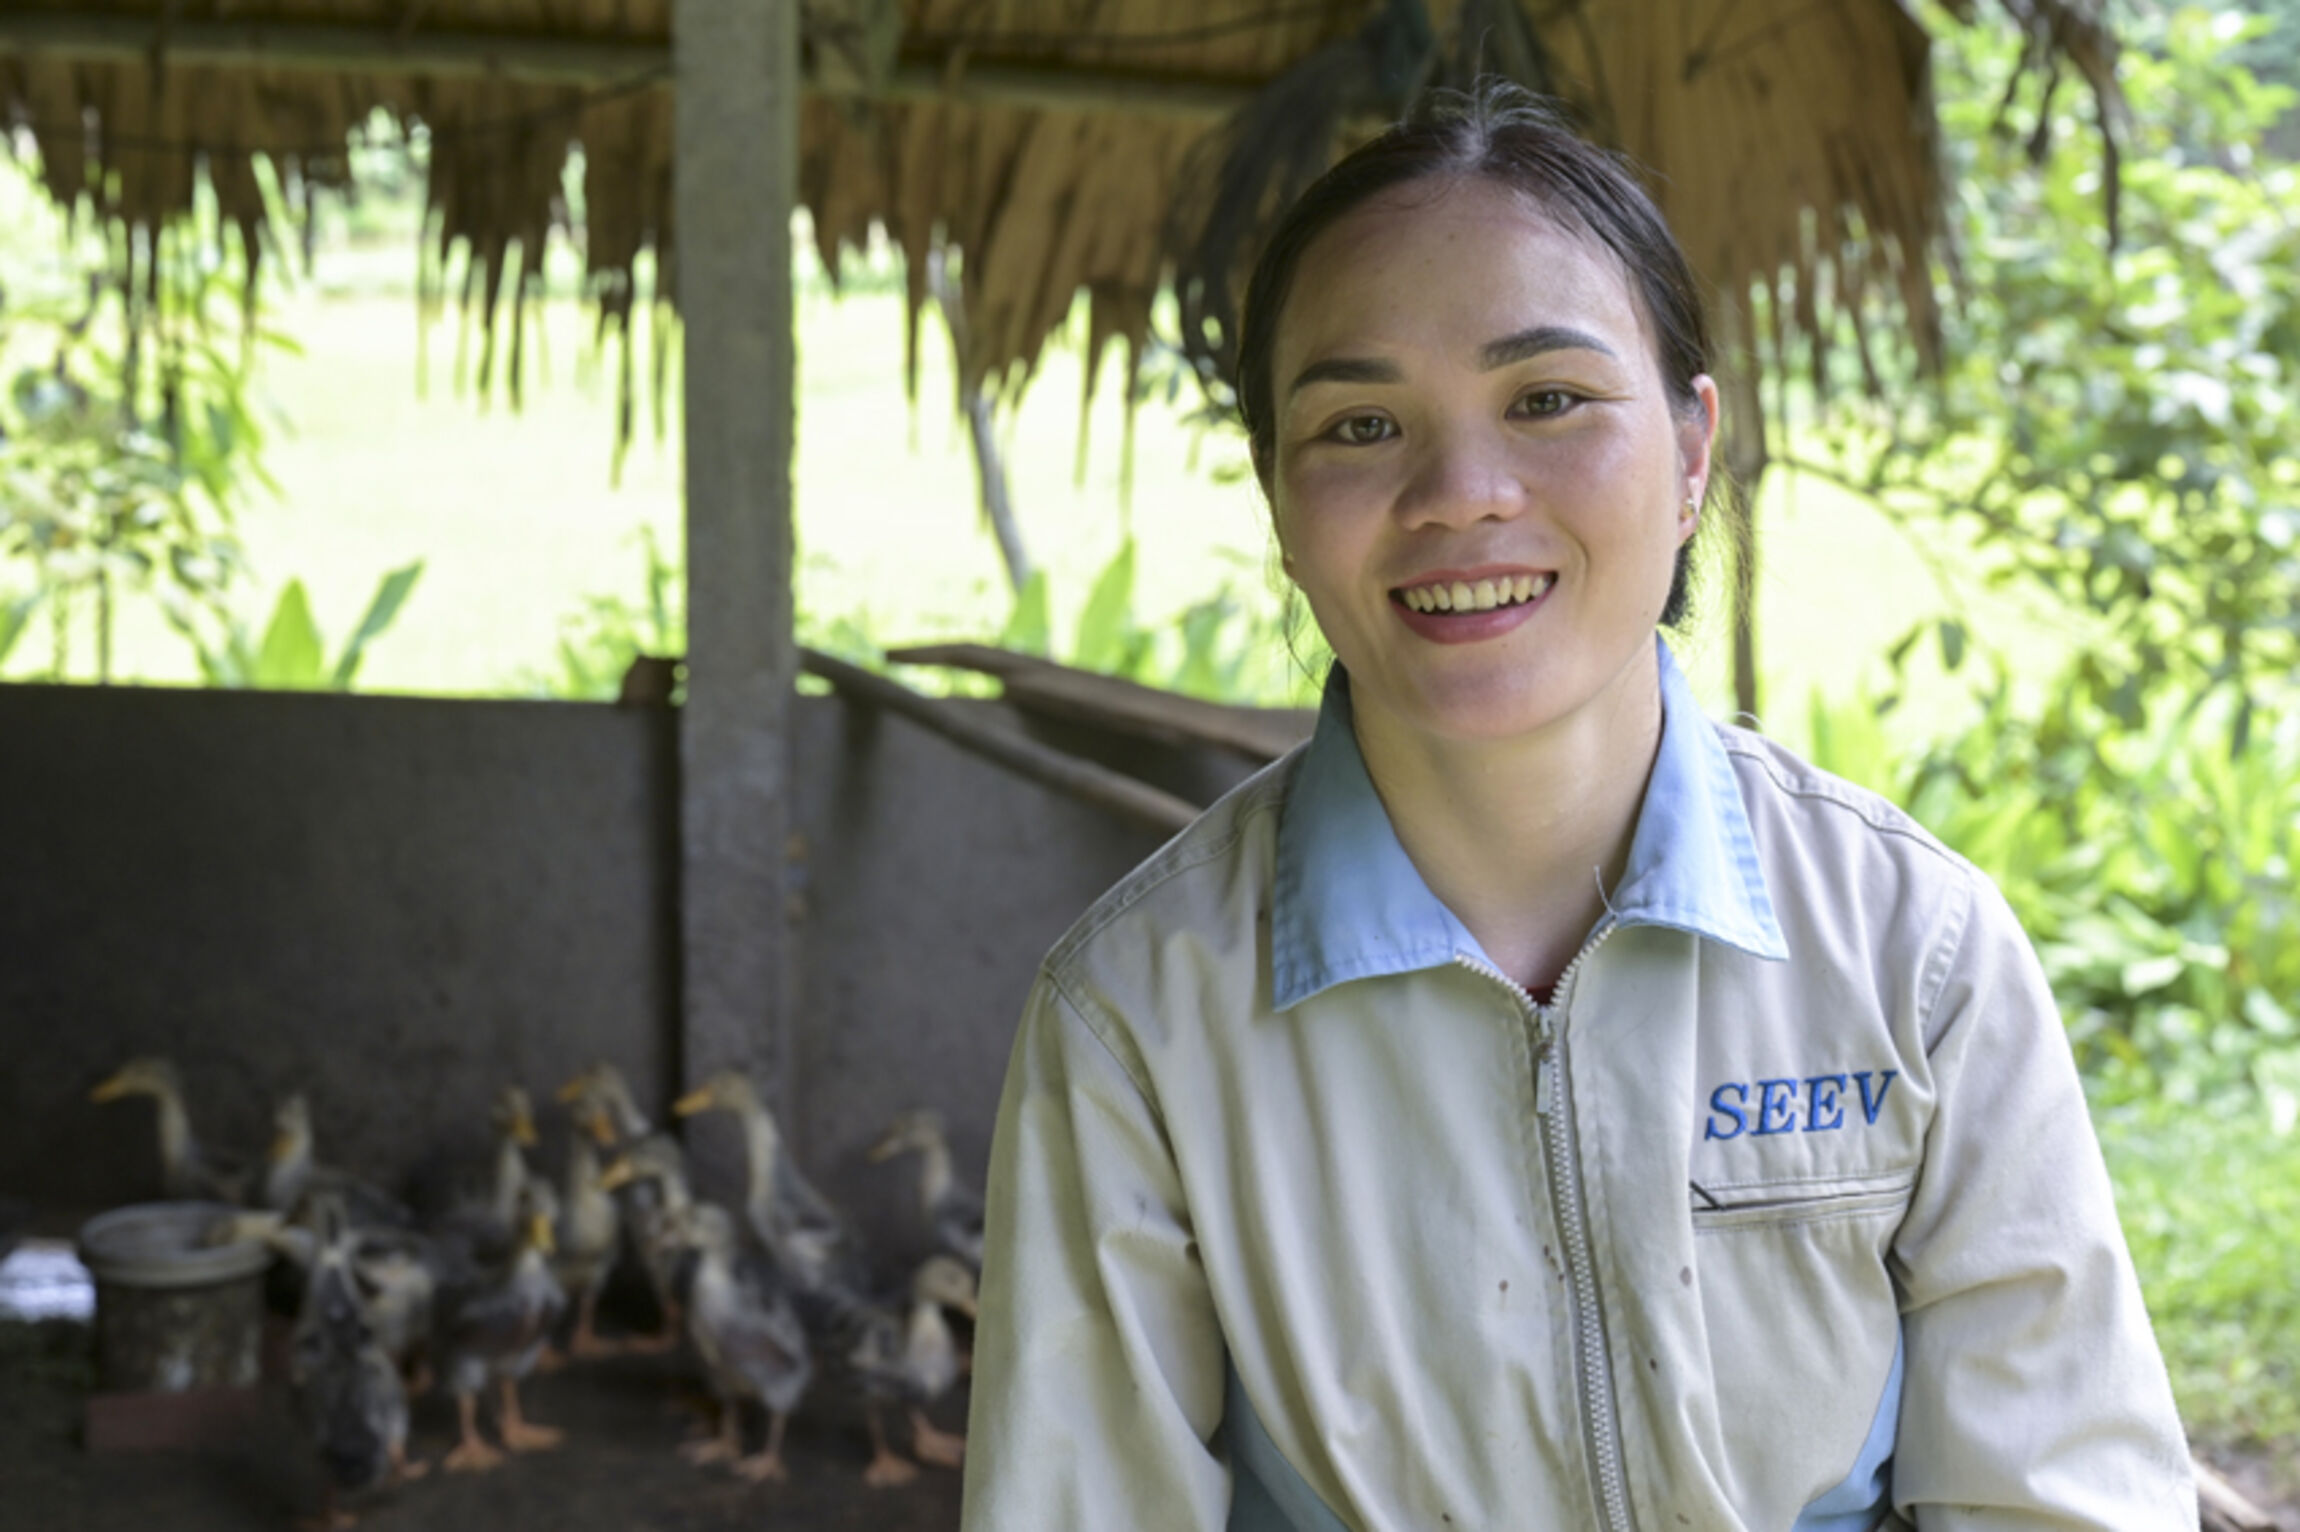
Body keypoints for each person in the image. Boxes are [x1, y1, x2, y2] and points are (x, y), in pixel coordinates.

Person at [961, 82, 2195, 1531]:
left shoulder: (1912, 956)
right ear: (1283, 505)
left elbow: (2061, 1499)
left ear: (1690, 454)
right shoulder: (1142, 1019)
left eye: (1547, 400)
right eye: (1361, 425)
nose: (1462, 493)